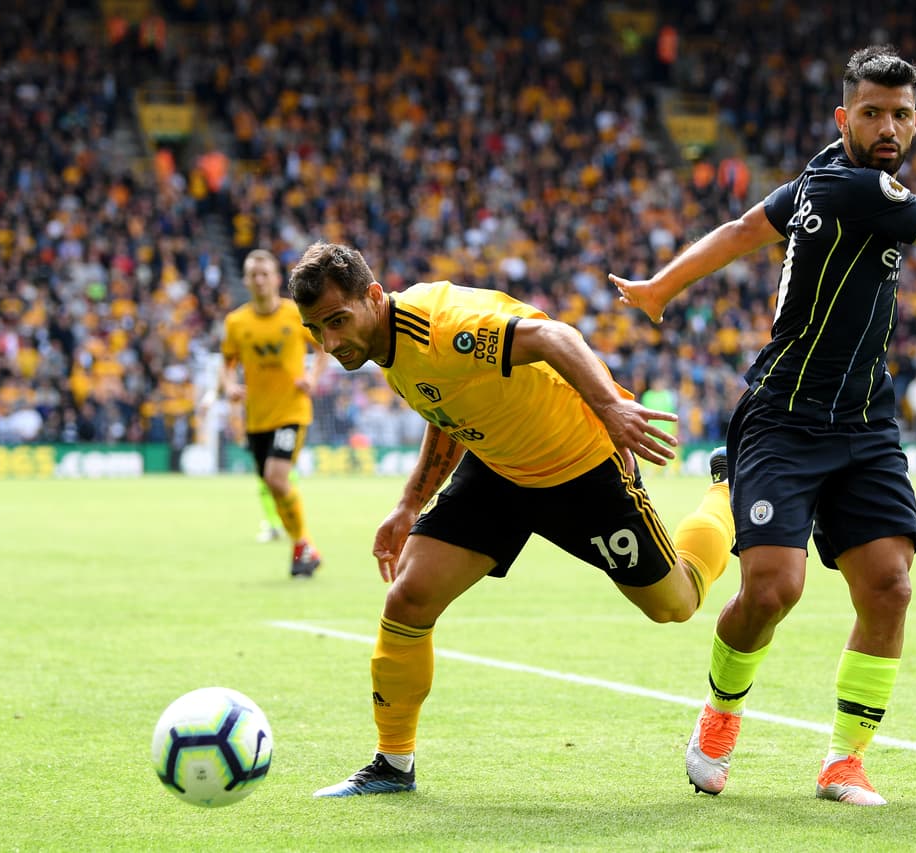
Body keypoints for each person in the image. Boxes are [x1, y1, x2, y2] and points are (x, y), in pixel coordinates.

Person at [609, 44, 916, 805]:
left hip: (863, 419)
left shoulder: (821, 174)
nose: (887, 127)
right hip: (785, 417)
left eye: (899, 115)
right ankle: (721, 714)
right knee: (771, 591)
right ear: (843, 116)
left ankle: (844, 762)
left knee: (888, 586)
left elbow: (740, 229)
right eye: (871, 113)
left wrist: (662, 285)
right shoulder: (860, 187)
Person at [288, 241, 736, 797]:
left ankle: (727, 492)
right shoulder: (386, 345)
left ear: (374, 297)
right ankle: (392, 763)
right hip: (499, 470)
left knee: (675, 604)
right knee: (409, 597)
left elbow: (555, 337)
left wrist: (610, 408)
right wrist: (409, 504)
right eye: (316, 330)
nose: (329, 343)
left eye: (337, 321)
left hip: (580, 467)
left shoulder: (442, 327)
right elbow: (447, 407)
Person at [221, 249, 327, 577]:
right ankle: (303, 546)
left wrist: (312, 378)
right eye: (253, 275)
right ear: (245, 281)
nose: (260, 280)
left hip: (291, 411)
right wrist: (229, 386)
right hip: (256, 418)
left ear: (276, 279)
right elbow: (227, 363)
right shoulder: (236, 322)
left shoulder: (295, 314)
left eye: (265, 274)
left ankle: (303, 545)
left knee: (276, 477)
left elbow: (323, 346)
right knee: (274, 487)